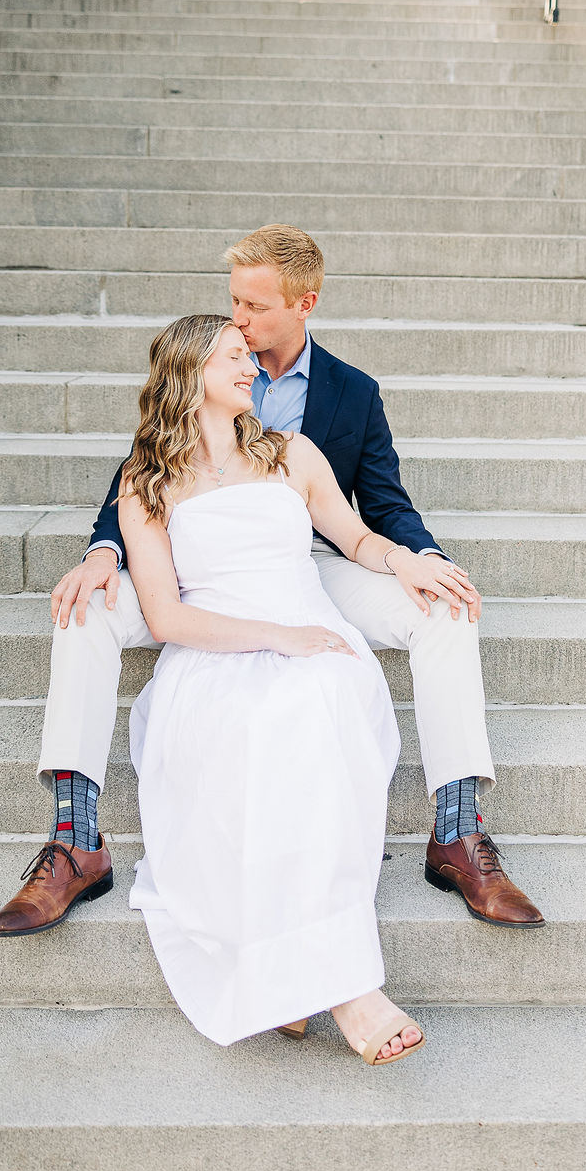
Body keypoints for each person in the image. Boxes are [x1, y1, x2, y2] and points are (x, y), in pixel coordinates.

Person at [0, 226, 543, 948]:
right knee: (83, 613)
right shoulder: (205, 358)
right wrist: (103, 551)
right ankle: (75, 840)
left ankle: (459, 834)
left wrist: (416, 557)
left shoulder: (351, 394)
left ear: (304, 303)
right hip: (192, 565)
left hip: (313, 567)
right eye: (233, 304)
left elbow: (379, 505)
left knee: (446, 611)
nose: (239, 320)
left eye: (254, 307)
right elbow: (142, 470)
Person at [107, 313, 424, 1059]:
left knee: (313, 706)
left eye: (249, 356)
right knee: (250, 727)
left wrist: (406, 561)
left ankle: (302, 979)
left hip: (310, 635)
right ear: (189, 373)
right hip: (215, 650)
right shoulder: (147, 484)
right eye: (234, 357)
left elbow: (355, 538)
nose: (252, 366)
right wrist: (271, 639)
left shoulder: (294, 455)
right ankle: (349, 993)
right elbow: (165, 614)